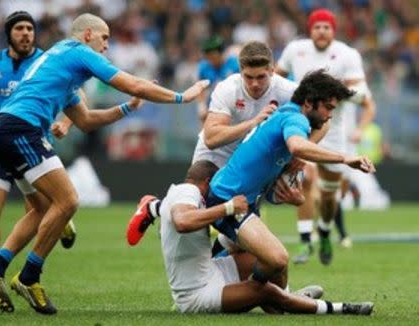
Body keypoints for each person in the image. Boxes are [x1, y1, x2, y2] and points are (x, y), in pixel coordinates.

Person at [0, 13, 209, 315]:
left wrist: (127, 108)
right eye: (105, 37)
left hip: (8, 128)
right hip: (20, 128)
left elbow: (84, 120)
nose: (107, 45)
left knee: (43, 208)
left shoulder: (61, 64)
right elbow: (132, 82)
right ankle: (29, 277)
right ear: (87, 35)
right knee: (69, 200)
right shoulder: (78, 52)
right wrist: (182, 96)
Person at [206, 69, 375, 293]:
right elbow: (298, 146)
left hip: (244, 202)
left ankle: (278, 295)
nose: (330, 115)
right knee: (277, 259)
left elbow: (272, 190)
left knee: (275, 280)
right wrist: (344, 158)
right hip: (228, 200)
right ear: (308, 102)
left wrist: (293, 199)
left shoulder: (286, 115)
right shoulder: (295, 119)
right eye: (328, 107)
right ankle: (246, 294)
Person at [127, 41, 301, 246]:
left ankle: (155, 207)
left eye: (261, 77)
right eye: (249, 77)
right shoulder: (228, 88)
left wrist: (298, 154)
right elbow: (211, 138)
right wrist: (252, 123)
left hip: (252, 157)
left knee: (243, 237)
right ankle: (155, 208)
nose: (254, 84)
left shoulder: (289, 91)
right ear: (240, 70)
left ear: (272, 71)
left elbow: (320, 120)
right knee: (193, 214)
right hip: (218, 152)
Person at [160, 160, 374, 315]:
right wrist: (227, 207)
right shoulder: (187, 190)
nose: (218, 193)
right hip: (196, 294)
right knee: (263, 290)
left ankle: (288, 300)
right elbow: (182, 223)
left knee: (267, 258)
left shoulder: (179, 195)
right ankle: (337, 308)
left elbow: (161, 207)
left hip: (212, 271)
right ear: (207, 181)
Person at [0, 11, 75, 298]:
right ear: (9, 34)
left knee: (40, 210)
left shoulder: (45, 61)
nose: (26, 33)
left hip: (33, 142)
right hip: (1, 142)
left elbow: (75, 96)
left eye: (30, 28)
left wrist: (65, 122)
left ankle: (60, 213)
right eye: (20, 28)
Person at [275, 8, 376, 265]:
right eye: (317, 26)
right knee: (306, 178)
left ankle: (326, 229)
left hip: (333, 130)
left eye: (326, 26)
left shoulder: (347, 54)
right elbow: (276, 80)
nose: (321, 30)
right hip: (301, 125)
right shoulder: (294, 50)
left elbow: (361, 92)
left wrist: (337, 93)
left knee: (330, 195)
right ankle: (306, 242)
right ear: (310, 29)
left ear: (334, 30)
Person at [197, 36, 240, 123]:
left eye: (213, 56)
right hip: (214, 103)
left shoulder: (234, 64)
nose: (210, 60)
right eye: (208, 57)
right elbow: (200, 87)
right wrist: (201, 106)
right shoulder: (204, 67)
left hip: (234, 103)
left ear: (221, 53)